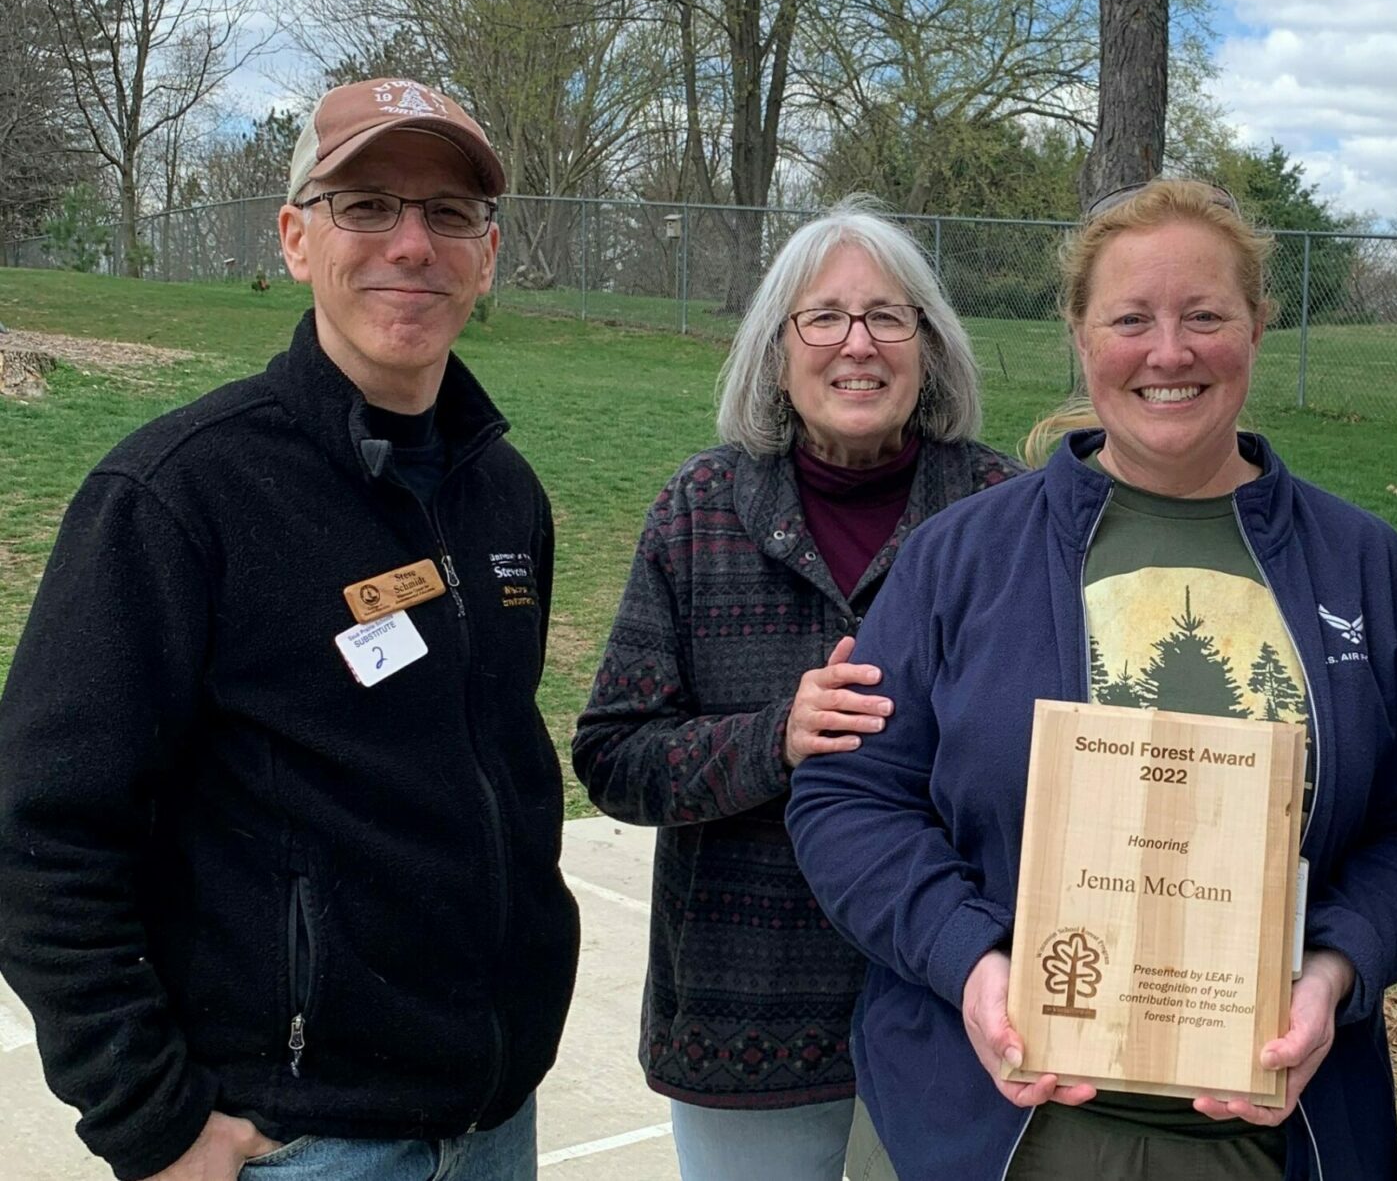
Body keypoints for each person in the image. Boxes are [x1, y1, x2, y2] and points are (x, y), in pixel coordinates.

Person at [785, 179, 1397, 1181]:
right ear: (1078, 332)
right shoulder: (957, 561)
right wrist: (970, 964)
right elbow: (850, 796)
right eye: (1130, 319)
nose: (1168, 351)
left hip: (1272, 1137)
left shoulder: (1366, 571)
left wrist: (1334, 967)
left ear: (1256, 326)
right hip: (983, 1127)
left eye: (1204, 316)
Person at [0, 77, 580, 1180]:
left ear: (488, 255)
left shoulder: (504, 494)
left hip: (494, 1119)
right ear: (295, 237)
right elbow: (41, 834)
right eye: (366, 204)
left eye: (448, 213)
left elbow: (495, 765)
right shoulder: (177, 496)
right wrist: (151, 1119)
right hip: (301, 1142)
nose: (411, 243)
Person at [571, 197, 1018, 1181]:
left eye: (886, 316)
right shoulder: (700, 509)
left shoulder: (998, 509)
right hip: (749, 1022)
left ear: (930, 347)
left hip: (960, 1006)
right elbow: (611, 754)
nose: (855, 343)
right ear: (778, 350)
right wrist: (774, 735)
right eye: (823, 316)